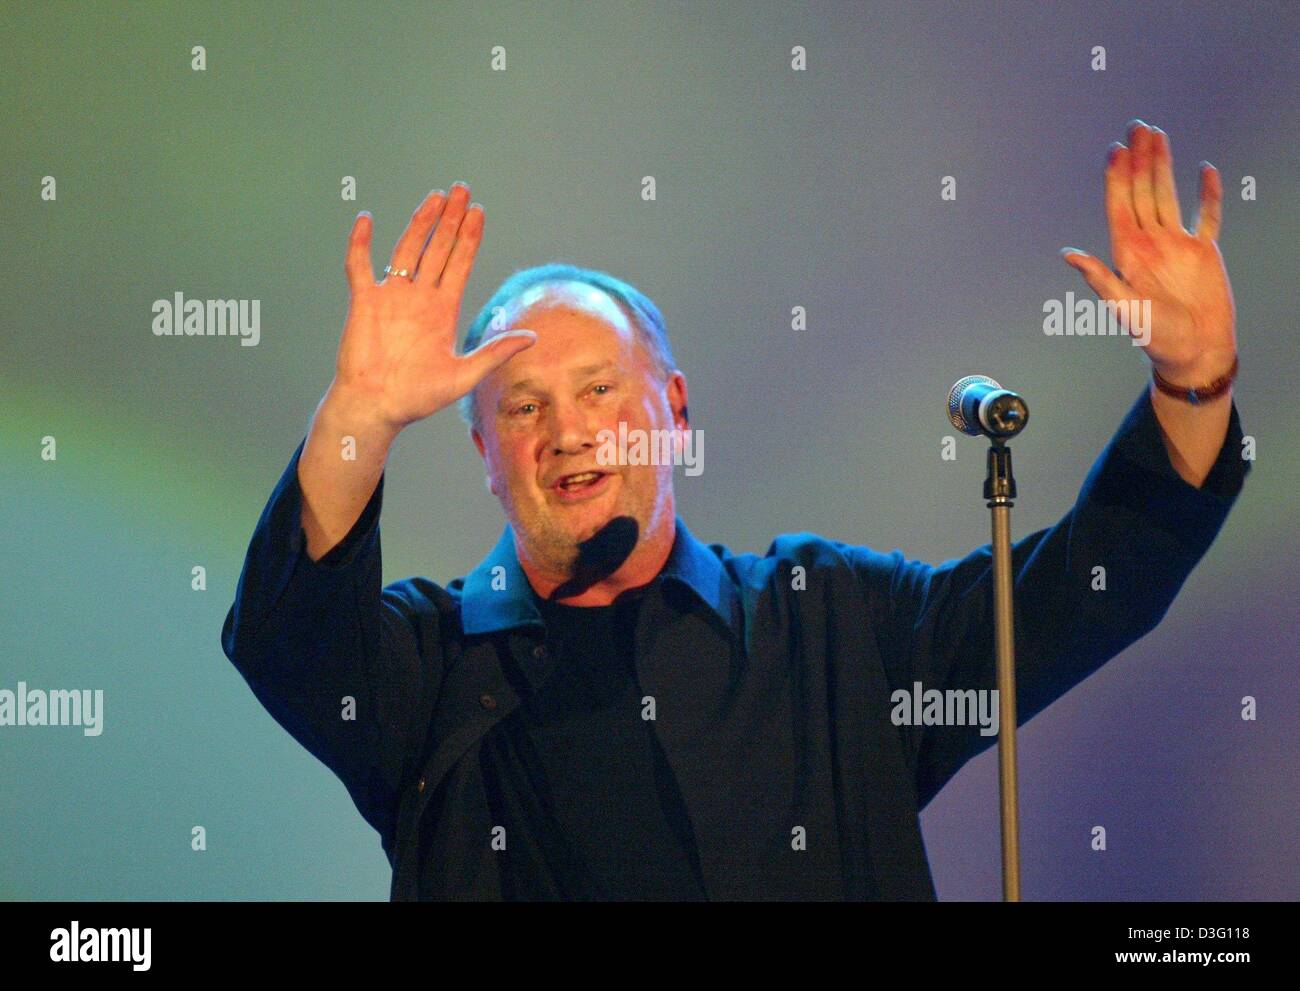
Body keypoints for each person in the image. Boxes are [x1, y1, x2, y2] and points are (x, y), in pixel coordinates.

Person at [221, 120, 1250, 900]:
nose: (568, 431)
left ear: (671, 407)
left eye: (598, 390)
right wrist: (360, 412)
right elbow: (284, 634)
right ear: (485, 451)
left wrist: (1193, 382)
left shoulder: (835, 625)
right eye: (523, 408)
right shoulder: (426, 669)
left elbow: (1089, 590)